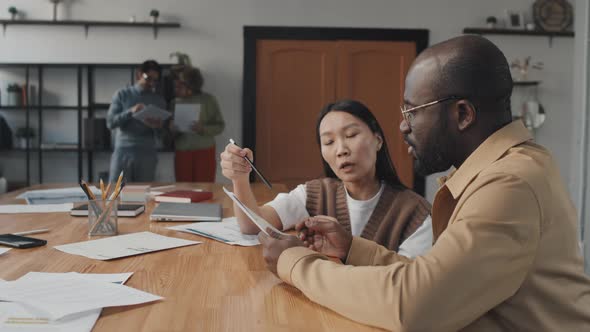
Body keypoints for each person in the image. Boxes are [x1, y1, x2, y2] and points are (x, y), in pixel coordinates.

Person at [257, 35, 590, 331]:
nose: (402, 127)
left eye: (412, 112)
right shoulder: (499, 170)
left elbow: (413, 305)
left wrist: (295, 262)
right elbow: (438, 282)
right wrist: (353, 249)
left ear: (463, 115)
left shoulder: (509, 184)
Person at [221, 99, 432, 256]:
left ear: (377, 140)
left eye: (351, 135)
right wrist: (240, 178)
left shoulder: (416, 214)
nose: (341, 150)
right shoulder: (315, 194)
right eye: (329, 142)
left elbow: (407, 287)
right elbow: (252, 225)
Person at [106, 60, 167, 183]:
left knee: (144, 196)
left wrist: (157, 127)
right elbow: (110, 123)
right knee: (116, 194)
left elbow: (162, 136)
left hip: (147, 154)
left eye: (155, 80)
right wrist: (130, 111)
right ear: (139, 75)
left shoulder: (160, 101)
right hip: (123, 152)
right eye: (148, 78)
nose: (151, 83)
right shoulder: (122, 94)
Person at [170, 66, 225, 182]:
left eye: (181, 85)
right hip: (182, 152)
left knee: (205, 188)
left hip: (204, 151)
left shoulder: (208, 100)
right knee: (183, 190)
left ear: (191, 85)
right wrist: (172, 129)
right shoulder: (175, 102)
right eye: (176, 85)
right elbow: (168, 133)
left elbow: (220, 126)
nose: (177, 88)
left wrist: (202, 128)